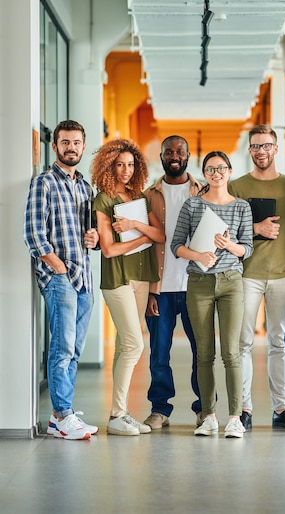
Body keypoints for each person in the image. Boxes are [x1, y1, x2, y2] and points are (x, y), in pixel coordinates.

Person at [24, 120, 99, 440]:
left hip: (84, 277)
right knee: (62, 348)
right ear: (54, 146)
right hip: (60, 278)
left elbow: (88, 234)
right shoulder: (43, 182)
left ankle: (59, 416)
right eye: (65, 142)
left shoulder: (85, 187)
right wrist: (58, 269)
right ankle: (64, 414)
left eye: (77, 142)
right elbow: (34, 234)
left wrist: (93, 237)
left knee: (75, 349)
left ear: (83, 146)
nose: (71, 147)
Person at [228, 124, 285, 431]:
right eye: (256, 146)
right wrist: (256, 229)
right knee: (243, 342)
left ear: (276, 148)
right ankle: (244, 409)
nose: (262, 151)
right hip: (246, 274)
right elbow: (226, 231)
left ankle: (282, 408)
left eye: (267, 146)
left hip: (282, 275)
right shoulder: (237, 187)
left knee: (279, 342)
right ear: (250, 150)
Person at [171, 151, 253, 438]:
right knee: (203, 353)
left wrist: (229, 246)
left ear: (229, 171)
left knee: (231, 352)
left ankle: (234, 418)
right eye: (210, 169)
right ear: (204, 173)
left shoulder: (242, 207)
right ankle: (208, 417)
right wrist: (199, 255)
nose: (216, 173)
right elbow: (176, 246)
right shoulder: (192, 206)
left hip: (232, 283)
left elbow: (248, 249)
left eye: (221, 168)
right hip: (199, 283)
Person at [91, 139, 165, 436]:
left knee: (125, 344)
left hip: (141, 278)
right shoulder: (104, 199)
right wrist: (142, 238)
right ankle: (118, 414)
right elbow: (109, 249)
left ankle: (119, 413)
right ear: (109, 165)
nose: (125, 170)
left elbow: (159, 233)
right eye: (120, 164)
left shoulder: (138, 197)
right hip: (118, 280)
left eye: (131, 164)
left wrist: (136, 227)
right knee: (135, 344)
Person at [142, 136, 203, 430]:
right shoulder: (147, 195)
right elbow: (141, 245)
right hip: (160, 288)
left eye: (180, 151)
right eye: (169, 152)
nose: (174, 156)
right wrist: (149, 291)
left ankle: (205, 408)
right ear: (162, 156)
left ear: (188, 155)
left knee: (202, 351)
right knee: (159, 352)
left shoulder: (203, 191)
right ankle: (160, 409)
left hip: (196, 286)